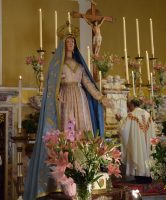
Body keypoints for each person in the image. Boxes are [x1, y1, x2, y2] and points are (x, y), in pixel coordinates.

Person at [24, 23, 113, 199]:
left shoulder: (79, 66)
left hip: (80, 100)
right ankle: (66, 168)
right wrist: (55, 96)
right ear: (63, 45)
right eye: (68, 41)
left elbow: (88, 84)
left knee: (82, 132)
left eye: (73, 41)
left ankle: (83, 167)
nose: (71, 44)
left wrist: (101, 97)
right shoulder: (57, 66)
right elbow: (51, 86)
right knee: (67, 131)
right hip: (64, 101)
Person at [116, 99, 155, 183]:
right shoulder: (148, 115)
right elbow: (153, 131)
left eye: (129, 106)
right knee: (147, 155)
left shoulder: (131, 115)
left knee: (138, 154)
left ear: (133, 105)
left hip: (138, 144)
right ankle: (148, 176)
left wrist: (119, 121)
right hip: (147, 143)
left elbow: (123, 130)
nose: (129, 108)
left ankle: (140, 175)